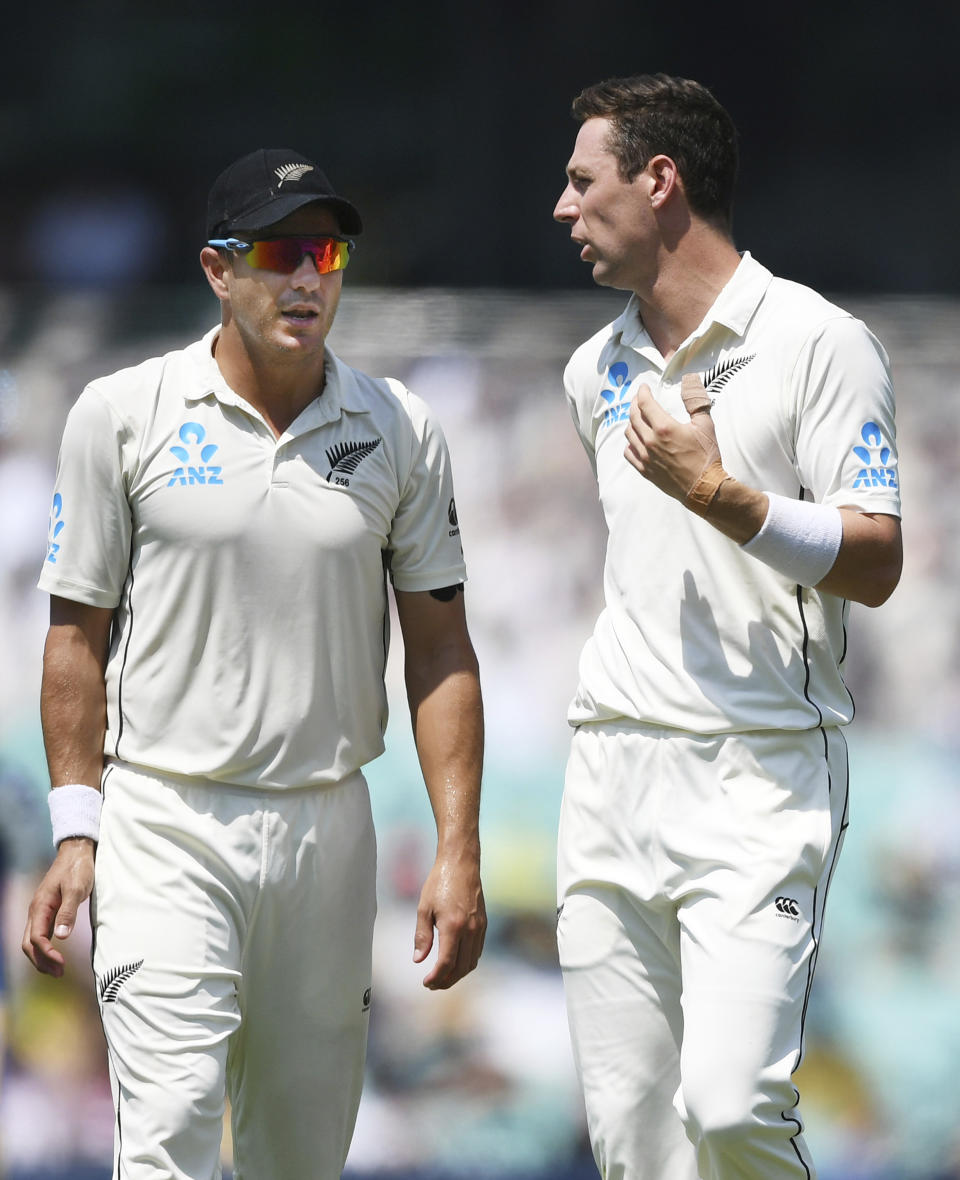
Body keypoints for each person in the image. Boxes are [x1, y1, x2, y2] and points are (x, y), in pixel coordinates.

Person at [22, 147, 486, 1180]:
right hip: (167, 815)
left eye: (325, 251)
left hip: (328, 822)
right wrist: (75, 826)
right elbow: (74, 637)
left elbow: (442, 646)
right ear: (217, 271)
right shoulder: (123, 411)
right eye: (279, 253)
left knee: (300, 1155)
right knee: (172, 1129)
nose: (308, 278)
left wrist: (458, 846)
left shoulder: (400, 427)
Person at [551, 75, 902, 1180]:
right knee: (633, 1143)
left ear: (660, 182)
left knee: (731, 1107)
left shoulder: (819, 342)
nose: (562, 208)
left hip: (761, 773)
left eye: (581, 180)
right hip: (610, 767)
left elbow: (878, 560)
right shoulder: (591, 370)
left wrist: (725, 495)